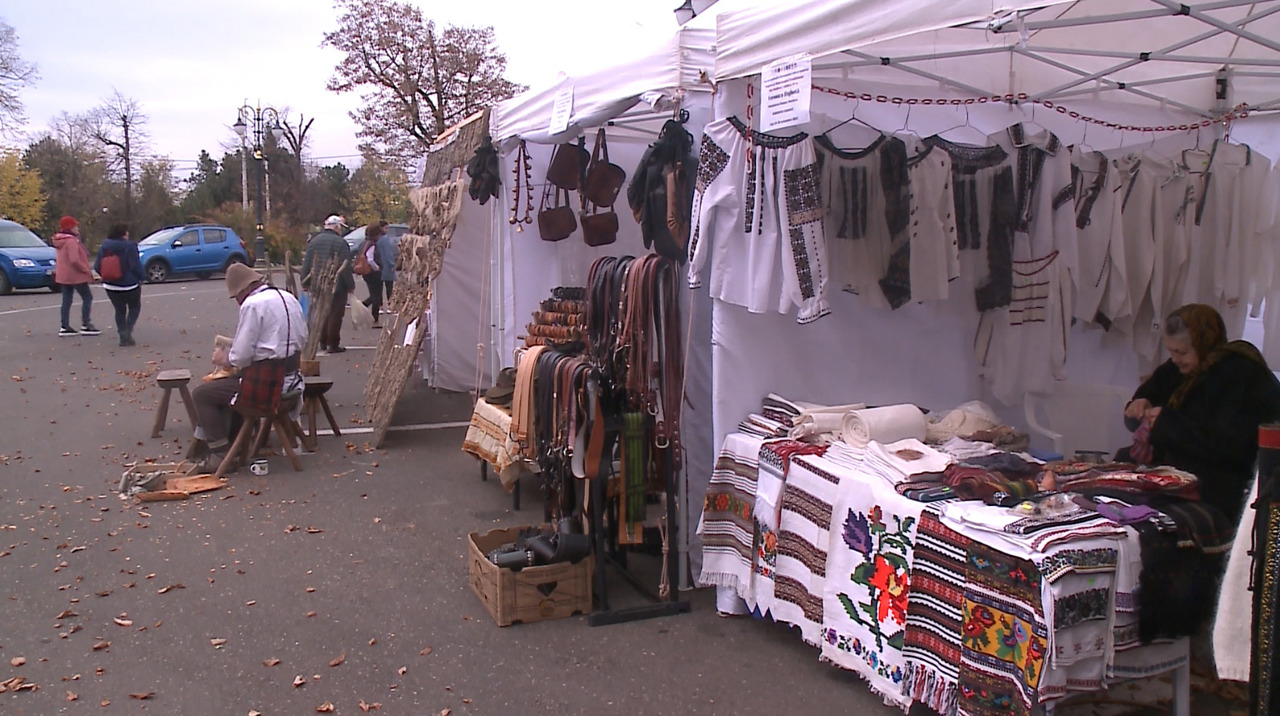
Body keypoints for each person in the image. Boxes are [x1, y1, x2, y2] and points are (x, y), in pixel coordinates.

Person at [1123, 303, 1280, 524]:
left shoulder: (1241, 375)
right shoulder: (1176, 369)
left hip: (1220, 484)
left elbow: (1230, 447)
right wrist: (1138, 406)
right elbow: (1143, 408)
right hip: (1177, 471)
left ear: (1204, 342)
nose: (1175, 358)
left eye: (1181, 352)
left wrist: (1166, 424)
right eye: (1171, 351)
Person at [190, 263, 306, 467]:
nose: (237, 301)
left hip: (269, 387)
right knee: (226, 386)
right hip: (293, 380)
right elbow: (301, 339)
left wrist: (224, 359)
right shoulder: (288, 297)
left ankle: (220, 453)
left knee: (202, 394)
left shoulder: (252, 305)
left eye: (236, 296)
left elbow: (241, 357)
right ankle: (234, 444)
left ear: (244, 289)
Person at [301, 214, 354, 353]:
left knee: (321, 312)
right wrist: (350, 285)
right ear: (336, 227)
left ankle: (322, 340)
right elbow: (345, 265)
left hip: (317, 283)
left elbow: (307, 263)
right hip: (336, 283)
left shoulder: (314, 241)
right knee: (335, 313)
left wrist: (304, 281)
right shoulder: (341, 243)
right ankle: (333, 343)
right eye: (340, 227)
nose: (341, 230)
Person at [94, 222, 144, 346]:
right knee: (134, 307)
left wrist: (107, 275)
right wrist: (142, 277)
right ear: (123, 234)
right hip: (130, 284)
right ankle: (127, 331)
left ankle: (122, 334)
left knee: (119, 310)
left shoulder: (104, 246)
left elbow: (97, 266)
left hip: (111, 285)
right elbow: (135, 265)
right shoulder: (130, 246)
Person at [52, 215, 99, 336]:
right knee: (87, 297)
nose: (77, 228)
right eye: (75, 226)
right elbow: (74, 259)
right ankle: (86, 324)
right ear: (70, 227)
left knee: (66, 300)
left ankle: (64, 325)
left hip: (64, 275)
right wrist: (86, 270)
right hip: (76, 275)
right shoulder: (71, 241)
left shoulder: (60, 240)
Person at [359, 222, 385, 327]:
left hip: (366, 273)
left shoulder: (363, 243)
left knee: (373, 294)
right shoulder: (372, 245)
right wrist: (377, 268)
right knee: (377, 296)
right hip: (373, 273)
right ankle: (375, 319)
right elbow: (370, 259)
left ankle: (362, 306)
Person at [375, 220, 397, 314]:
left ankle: (379, 306)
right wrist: (392, 264)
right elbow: (388, 253)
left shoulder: (376, 239)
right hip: (387, 266)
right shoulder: (386, 239)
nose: (387, 230)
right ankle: (390, 306)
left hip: (378, 265)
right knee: (389, 287)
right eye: (386, 228)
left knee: (378, 288)